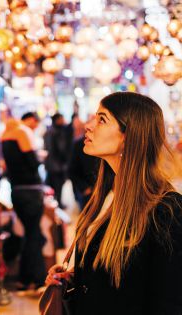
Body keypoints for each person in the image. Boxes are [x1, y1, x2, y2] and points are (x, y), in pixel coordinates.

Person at [45, 92, 182, 315]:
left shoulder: (166, 210)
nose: (88, 126)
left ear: (129, 135)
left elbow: (168, 300)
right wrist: (76, 276)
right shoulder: (105, 194)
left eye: (102, 119)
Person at [1, 112, 46, 290]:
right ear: (29, 120)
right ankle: (35, 279)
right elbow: (33, 163)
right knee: (34, 235)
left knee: (31, 234)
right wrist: (40, 158)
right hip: (31, 191)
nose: (34, 127)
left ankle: (27, 278)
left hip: (17, 191)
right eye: (35, 123)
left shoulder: (6, 134)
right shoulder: (22, 132)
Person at [44, 113, 73, 209]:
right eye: (61, 118)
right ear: (57, 120)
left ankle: (54, 205)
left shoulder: (49, 131)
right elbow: (62, 149)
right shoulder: (58, 132)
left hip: (50, 164)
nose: (63, 120)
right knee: (58, 186)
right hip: (58, 165)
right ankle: (58, 205)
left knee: (52, 186)